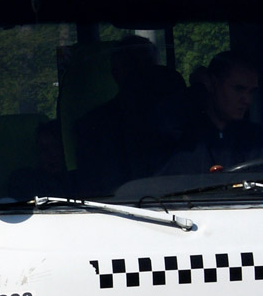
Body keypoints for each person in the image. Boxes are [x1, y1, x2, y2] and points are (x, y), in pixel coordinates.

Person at [73, 35, 188, 192]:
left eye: (146, 65)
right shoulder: (92, 129)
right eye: (131, 66)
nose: (139, 74)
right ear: (116, 73)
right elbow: (91, 196)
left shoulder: (185, 119)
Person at [164, 51, 263, 173]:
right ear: (212, 84)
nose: (247, 100)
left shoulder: (260, 140)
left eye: (251, 92)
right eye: (238, 89)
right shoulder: (181, 142)